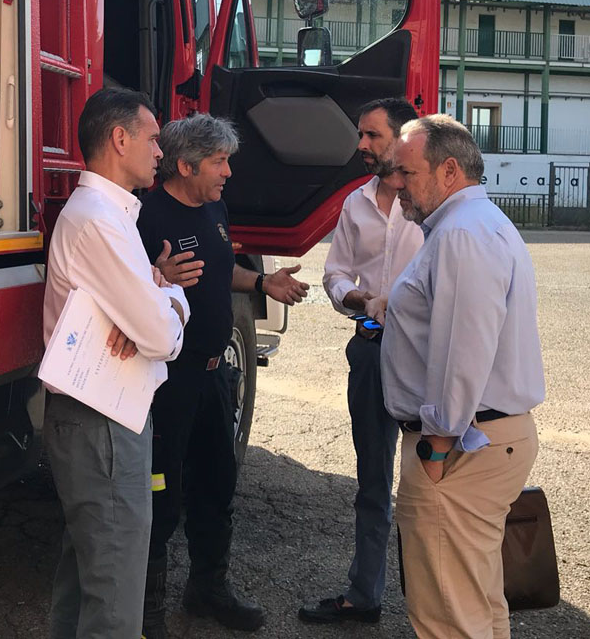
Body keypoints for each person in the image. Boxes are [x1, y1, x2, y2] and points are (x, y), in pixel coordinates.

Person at [136, 114, 309, 639]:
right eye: (218, 162)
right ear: (185, 164)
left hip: (215, 378)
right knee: (160, 495)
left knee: (217, 485)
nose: (228, 172)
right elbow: (122, 291)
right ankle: (146, 611)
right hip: (167, 383)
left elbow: (217, 269)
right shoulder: (146, 216)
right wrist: (156, 277)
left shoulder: (214, 208)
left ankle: (208, 589)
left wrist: (262, 280)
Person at [383, 114, 546, 639]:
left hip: (460, 448)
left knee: (449, 618)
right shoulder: (475, 226)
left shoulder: (461, 234)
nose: (397, 184)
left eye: (406, 173)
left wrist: (435, 446)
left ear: (449, 170)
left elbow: (463, 351)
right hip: (480, 441)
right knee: (478, 608)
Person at [43, 88, 190, 639]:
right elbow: (156, 330)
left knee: (87, 585)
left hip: (99, 420)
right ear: (119, 138)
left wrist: (158, 300)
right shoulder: (101, 222)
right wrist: (167, 301)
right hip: (102, 424)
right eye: (153, 139)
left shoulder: (109, 216)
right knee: (113, 602)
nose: (160, 150)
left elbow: (150, 318)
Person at [299, 98, 424, 626]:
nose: (361, 146)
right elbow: (335, 275)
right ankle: (364, 597)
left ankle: (435, 606)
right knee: (372, 482)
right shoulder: (355, 204)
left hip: (423, 356)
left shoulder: (434, 204)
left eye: (372, 136)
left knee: (427, 488)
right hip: (371, 349)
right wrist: (361, 300)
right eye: (361, 135)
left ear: (401, 139)